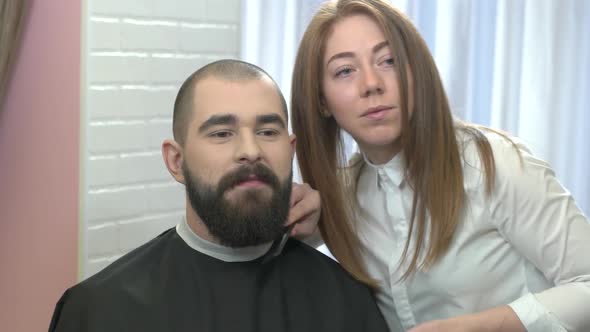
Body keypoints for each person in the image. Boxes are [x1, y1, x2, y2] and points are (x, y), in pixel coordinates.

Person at [289, 0, 590, 331]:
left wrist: (478, 327)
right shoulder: (340, 200)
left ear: (416, 72)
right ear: (321, 100)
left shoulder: (496, 165)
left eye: (388, 60)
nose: (372, 83)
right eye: (345, 70)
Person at [48, 59, 389, 332]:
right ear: (176, 162)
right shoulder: (100, 311)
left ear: (290, 150)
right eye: (222, 133)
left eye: (267, 131)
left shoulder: (344, 301)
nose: (250, 150)